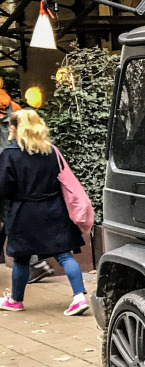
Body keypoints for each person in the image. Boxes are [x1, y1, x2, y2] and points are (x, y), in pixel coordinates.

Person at [0, 109, 88, 315]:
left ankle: (16, 300)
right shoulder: (52, 152)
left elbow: (4, 188)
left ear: (15, 128)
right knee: (64, 255)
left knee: (21, 257)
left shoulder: (9, 155)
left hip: (24, 212)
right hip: (54, 210)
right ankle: (79, 297)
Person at [0, 88, 53, 283]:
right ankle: (36, 264)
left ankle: (34, 264)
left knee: (11, 220)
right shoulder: (14, 108)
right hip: (16, 166)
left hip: (7, 168)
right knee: (9, 219)